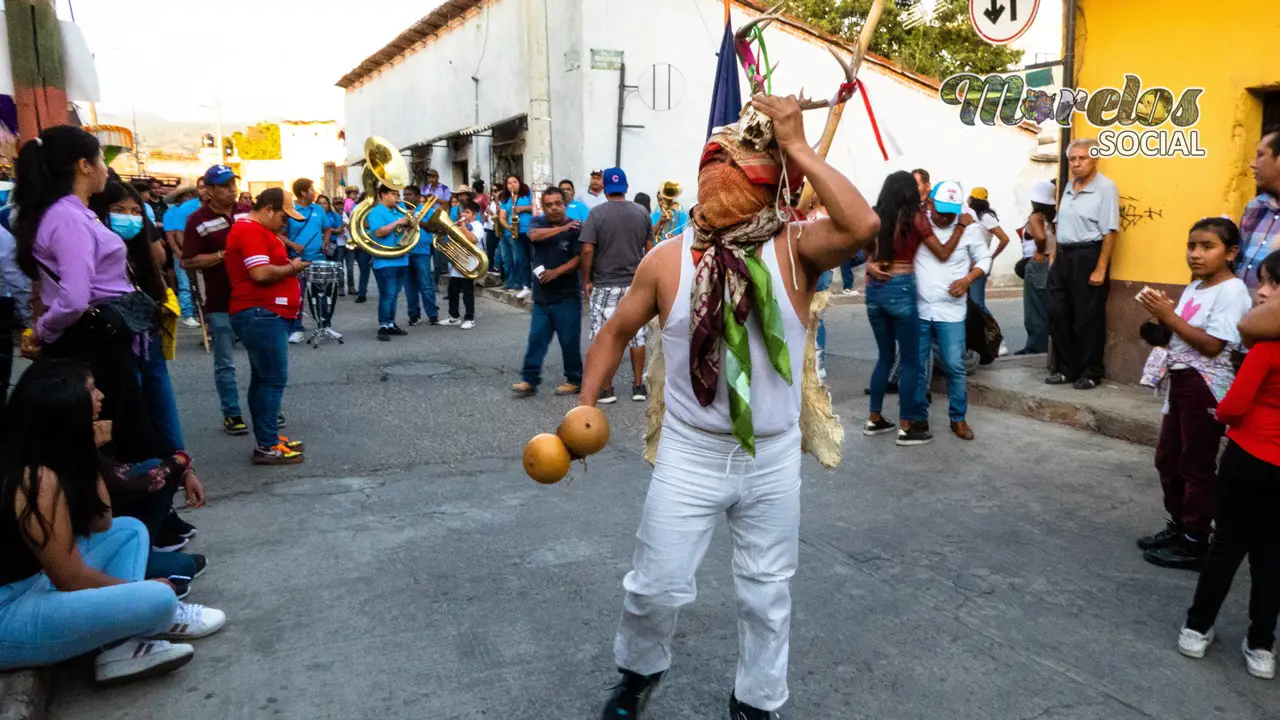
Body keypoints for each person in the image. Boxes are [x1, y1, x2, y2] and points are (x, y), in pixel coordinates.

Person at [588, 95, 878, 720]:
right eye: (713, 158)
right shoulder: (666, 258)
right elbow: (615, 332)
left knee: (767, 595)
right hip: (690, 453)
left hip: (771, 459)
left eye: (739, 160)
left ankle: (756, 702)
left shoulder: (796, 250)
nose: (721, 167)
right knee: (653, 587)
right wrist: (586, 403)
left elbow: (862, 226)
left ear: (774, 184)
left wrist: (798, 146)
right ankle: (638, 673)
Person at [0, 360, 226, 682]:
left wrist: (87, 451)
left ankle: (121, 648)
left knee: (129, 530)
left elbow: (103, 523)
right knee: (161, 597)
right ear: (66, 411)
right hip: (8, 615)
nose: (101, 397)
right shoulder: (34, 479)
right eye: (92, 391)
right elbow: (71, 578)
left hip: (31, 585)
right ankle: (143, 624)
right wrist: (143, 590)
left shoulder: (40, 454)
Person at [14, 126, 159, 464]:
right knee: (115, 442)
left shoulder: (75, 213)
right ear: (84, 165)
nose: (106, 169)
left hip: (101, 338)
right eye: (101, 161)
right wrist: (41, 330)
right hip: (92, 342)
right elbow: (74, 298)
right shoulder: (67, 217)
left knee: (124, 434)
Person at [1177, 249, 1280, 679]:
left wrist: (1219, 416)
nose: (1261, 290)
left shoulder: (1267, 348)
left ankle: (1197, 630)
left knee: (1226, 546)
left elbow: (1234, 405)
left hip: (1248, 456)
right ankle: (1261, 648)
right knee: (1272, 556)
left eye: (1271, 284)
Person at [1136, 218, 1251, 570]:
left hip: (1206, 384)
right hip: (1181, 380)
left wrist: (1169, 317)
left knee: (1194, 462)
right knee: (1168, 459)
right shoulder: (1195, 288)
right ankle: (1180, 525)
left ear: (1230, 253)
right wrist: (1158, 322)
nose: (1196, 254)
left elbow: (1213, 346)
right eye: (1192, 246)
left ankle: (1196, 540)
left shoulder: (1232, 291)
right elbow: (1179, 335)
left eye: (1207, 247)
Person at [224, 188, 307, 464]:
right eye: (284, 217)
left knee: (263, 380)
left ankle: (267, 439)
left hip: (261, 313)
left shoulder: (255, 230)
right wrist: (292, 268)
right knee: (272, 380)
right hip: (262, 313)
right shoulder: (251, 231)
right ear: (269, 210)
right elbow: (259, 273)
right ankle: (267, 445)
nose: (286, 223)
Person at [862, 171, 935, 446]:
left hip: (875, 290)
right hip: (902, 287)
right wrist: (961, 228)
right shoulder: (915, 218)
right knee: (911, 360)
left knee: (884, 356)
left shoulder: (874, 217)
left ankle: (875, 418)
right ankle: (907, 426)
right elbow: (939, 251)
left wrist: (869, 264)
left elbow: (860, 249)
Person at [916, 181, 991, 441]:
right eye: (941, 211)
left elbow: (985, 258)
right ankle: (917, 418)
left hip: (952, 311)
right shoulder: (919, 222)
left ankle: (958, 418)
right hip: (921, 308)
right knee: (916, 365)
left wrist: (968, 280)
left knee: (955, 365)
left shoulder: (969, 228)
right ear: (931, 203)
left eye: (951, 212)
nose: (945, 217)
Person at [182, 165, 254, 436]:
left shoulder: (248, 212)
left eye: (233, 184)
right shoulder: (196, 221)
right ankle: (232, 413)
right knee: (226, 361)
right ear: (209, 191)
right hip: (221, 300)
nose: (232, 189)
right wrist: (224, 255)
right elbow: (188, 260)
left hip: (253, 298)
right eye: (225, 186)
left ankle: (265, 406)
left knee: (261, 357)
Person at [1047, 138, 1120, 390]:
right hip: (1064, 256)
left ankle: (1090, 371)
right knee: (1057, 312)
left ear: (1095, 159)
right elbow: (1059, 224)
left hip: (1088, 255)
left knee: (1087, 317)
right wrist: (1054, 256)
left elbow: (1110, 231)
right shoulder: (1068, 186)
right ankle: (1067, 369)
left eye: (1082, 158)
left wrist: (1100, 267)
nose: (1076, 164)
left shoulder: (1105, 188)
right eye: (1072, 159)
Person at [581, 167, 654, 404]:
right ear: (626, 187)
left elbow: (588, 249)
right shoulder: (642, 212)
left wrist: (586, 279)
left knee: (605, 336)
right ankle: (638, 386)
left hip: (605, 284)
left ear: (605, 187)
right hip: (635, 284)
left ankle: (607, 388)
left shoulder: (596, 213)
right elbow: (650, 248)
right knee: (637, 336)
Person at [512, 186, 582, 397]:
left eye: (558, 204)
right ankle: (529, 380)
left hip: (566, 296)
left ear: (565, 205)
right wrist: (562, 229)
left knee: (569, 341)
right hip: (542, 297)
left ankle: (574, 379)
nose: (554, 209)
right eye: (549, 205)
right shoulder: (537, 223)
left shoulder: (578, 228)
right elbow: (533, 236)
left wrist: (556, 272)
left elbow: (579, 259)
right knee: (536, 339)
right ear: (542, 207)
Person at [1236, 127, 1280, 295]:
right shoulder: (1255, 206)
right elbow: (1239, 260)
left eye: (1260, 155)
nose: (1252, 164)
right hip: (1244, 316)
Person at [366, 186, 412, 341]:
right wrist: (399, 222)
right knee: (388, 293)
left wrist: (409, 221)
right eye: (393, 194)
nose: (396, 197)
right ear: (383, 195)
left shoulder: (398, 211)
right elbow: (379, 232)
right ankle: (383, 326)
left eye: (397, 194)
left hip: (401, 258)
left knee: (395, 294)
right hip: (385, 260)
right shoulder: (376, 212)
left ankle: (391, 323)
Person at [285, 178, 327, 344]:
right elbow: (278, 233)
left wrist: (325, 241)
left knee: (321, 294)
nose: (314, 192)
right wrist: (292, 244)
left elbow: (327, 228)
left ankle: (324, 325)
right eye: (312, 189)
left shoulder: (318, 209)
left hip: (317, 258)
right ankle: (296, 328)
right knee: (298, 296)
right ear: (303, 192)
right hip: (296, 259)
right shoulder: (289, 210)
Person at [1018, 181, 1057, 355]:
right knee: (1046, 308)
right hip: (1050, 265)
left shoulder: (1035, 217)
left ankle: (1035, 348)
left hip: (1037, 265)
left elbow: (1040, 237)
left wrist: (1040, 250)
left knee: (1035, 311)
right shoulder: (1051, 219)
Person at [163, 180, 206, 329]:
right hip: (181, 252)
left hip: (198, 252)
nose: (188, 198)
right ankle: (187, 314)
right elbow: (170, 235)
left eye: (190, 195)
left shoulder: (198, 208)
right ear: (178, 198)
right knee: (185, 284)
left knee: (199, 285)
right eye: (184, 196)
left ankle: (197, 312)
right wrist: (178, 253)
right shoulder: (171, 212)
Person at [965, 188, 1011, 312]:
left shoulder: (986, 217)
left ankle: (992, 330)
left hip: (978, 265)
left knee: (977, 304)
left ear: (973, 199)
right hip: (967, 265)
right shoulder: (973, 216)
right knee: (967, 303)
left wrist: (991, 257)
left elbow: (1004, 239)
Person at [399, 185, 439, 327]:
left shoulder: (426, 209)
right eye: (404, 195)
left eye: (409, 194)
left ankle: (433, 314)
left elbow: (432, 227)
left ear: (417, 196)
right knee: (409, 287)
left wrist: (415, 220)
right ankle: (414, 315)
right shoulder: (400, 210)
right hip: (404, 251)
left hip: (422, 251)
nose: (406, 198)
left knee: (425, 284)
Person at [442, 201, 483, 329]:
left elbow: (474, 239)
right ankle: (454, 317)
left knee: (467, 291)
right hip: (457, 262)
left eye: (467, 212)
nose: (464, 214)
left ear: (475, 214)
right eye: (463, 212)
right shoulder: (460, 225)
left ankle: (470, 318)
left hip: (470, 262)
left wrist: (463, 227)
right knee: (452, 291)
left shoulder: (477, 225)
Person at [498, 176, 535, 298]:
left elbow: (536, 207)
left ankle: (537, 286)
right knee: (522, 260)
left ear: (520, 183)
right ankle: (526, 286)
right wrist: (509, 227)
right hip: (516, 233)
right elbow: (502, 217)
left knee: (534, 260)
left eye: (514, 182)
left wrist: (522, 208)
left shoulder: (528, 194)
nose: (512, 185)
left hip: (530, 231)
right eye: (509, 183)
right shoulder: (506, 199)